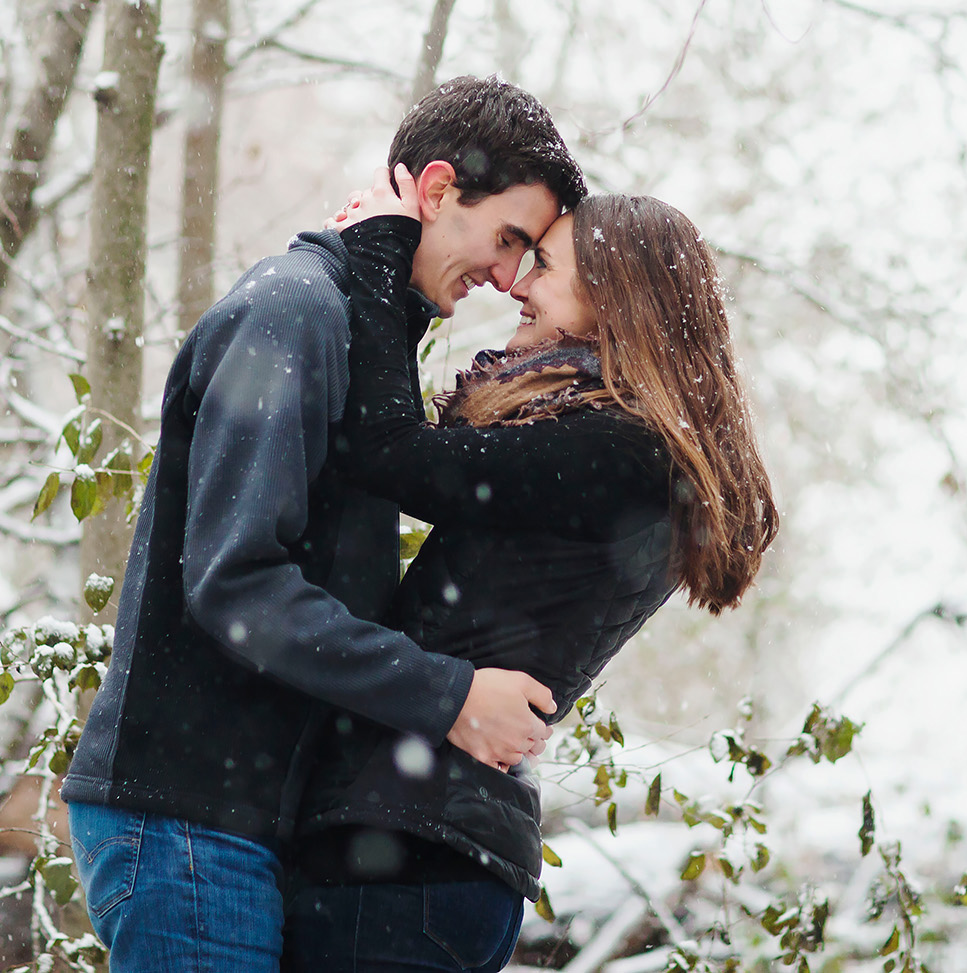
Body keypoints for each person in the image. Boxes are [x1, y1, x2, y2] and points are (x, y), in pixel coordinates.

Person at [63, 81, 588, 973]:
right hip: (187, 821)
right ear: (433, 190)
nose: (507, 276)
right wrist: (450, 696)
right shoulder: (295, 309)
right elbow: (235, 585)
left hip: (240, 823)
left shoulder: (350, 322)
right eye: (507, 238)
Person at [283, 168, 779, 973]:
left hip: (406, 856)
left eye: (543, 265)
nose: (516, 284)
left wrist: (381, 250)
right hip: (427, 849)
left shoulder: (620, 452)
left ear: (617, 300)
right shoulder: (617, 445)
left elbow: (392, 453)